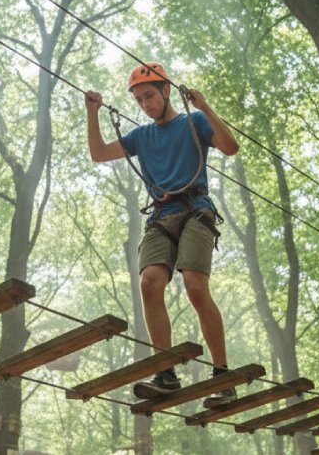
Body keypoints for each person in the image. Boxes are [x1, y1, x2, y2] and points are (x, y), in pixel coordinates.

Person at [85, 62, 240, 408]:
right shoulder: (142, 136)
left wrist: (204, 106)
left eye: (150, 96)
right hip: (161, 215)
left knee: (195, 286)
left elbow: (230, 147)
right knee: (149, 283)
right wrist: (92, 113)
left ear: (166, 91)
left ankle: (222, 376)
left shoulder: (193, 122)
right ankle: (166, 373)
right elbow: (98, 154)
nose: (145, 104)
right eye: (139, 100)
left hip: (196, 209)